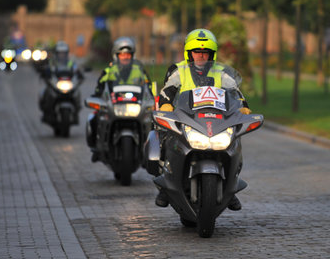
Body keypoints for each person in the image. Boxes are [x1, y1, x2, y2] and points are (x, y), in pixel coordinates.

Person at [155, 28, 251, 210]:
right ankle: (165, 185)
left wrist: (243, 106)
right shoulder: (178, 70)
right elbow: (167, 90)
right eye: (197, 52)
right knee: (167, 139)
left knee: (234, 142)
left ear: (211, 54)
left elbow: (235, 92)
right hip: (187, 119)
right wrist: (166, 103)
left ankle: (230, 187)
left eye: (205, 52)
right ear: (189, 53)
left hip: (216, 120)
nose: (200, 56)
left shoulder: (221, 72)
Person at [88, 36, 151, 160]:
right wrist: (97, 96)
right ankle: (97, 148)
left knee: (152, 120)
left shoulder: (139, 71)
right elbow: (99, 88)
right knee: (95, 118)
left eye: (128, 54)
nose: (125, 57)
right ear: (116, 55)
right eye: (122, 54)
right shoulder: (108, 71)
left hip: (134, 104)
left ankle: (149, 150)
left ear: (132, 55)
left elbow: (148, 87)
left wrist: (152, 98)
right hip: (115, 104)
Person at [39, 41, 83, 119]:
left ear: (66, 53)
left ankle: (77, 109)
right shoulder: (52, 62)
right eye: (60, 53)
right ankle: (47, 109)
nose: (62, 55)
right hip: (56, 82)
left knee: (77, 92)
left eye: (64, 53)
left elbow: (76, 69)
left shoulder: (70, 62)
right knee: (46, 91)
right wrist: (45, 72)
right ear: (56, 53)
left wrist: (80, 73)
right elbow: (47, 69)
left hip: (67, 82)